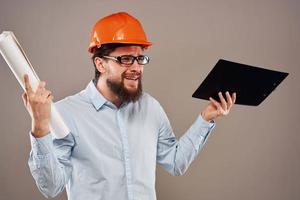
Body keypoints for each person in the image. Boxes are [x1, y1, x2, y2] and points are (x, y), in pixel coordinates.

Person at [22, 12, 236, 200]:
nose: (136, 68)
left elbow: (175, 162)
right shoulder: (65, 113)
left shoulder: (150, 108)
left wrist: (207, 118)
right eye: (125, 59)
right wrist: (40, 127)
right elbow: (51, 186)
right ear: (100, 63)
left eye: (140, 59)